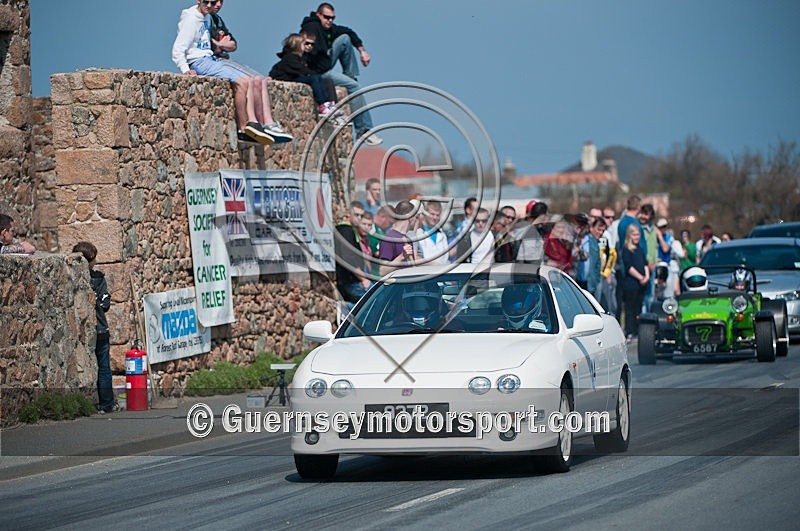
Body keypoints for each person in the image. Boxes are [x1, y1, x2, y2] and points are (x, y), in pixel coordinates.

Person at [172, 0, 292, 146]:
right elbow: (178, 49)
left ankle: (255, 124)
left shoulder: (206, 17)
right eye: (206, 2)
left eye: (213, 2)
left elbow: (231, 43)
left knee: (250, 80)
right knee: (242, 82)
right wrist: (185, 69)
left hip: (211, 59)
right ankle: (244, 128)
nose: (210, 5)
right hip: (199, 61)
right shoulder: (191, 18)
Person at [209, 0, 294, 144]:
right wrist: (220, 44)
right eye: (214, 1)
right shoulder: (203, 20)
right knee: (253, 80)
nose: (218, 5)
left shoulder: (217, 20)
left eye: (221, 1)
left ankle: (266, 124)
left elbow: (233, 44)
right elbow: (212, 46)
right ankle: (256, 124)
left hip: (224, 58)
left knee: (260, 79)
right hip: (216, 61)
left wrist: (222, 45)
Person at [300, 3, 382, 145]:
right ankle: (364, 130)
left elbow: (348, 32)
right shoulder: (311, 28)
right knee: (354, 87)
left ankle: (349, 75)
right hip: (319, 72)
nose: (330, 21)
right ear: (318, 15)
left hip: (324, 62)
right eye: (327, 17)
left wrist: (362, 51)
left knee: (345, 38)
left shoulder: (329, 28)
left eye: (332, 18)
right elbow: (304, 49)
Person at [72, 241, 118, 413]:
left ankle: (97, 403)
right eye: (94, 259)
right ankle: (106, 404)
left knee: (93, 367)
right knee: (103, 366)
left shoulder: (86, 278)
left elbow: (104, 303)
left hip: (89, 329)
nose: (96, 263)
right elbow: (105, 304)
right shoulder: (97, 279)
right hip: (98, 328)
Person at [268, 33, 343, 121]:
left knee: (321, 79)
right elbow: (299, 69)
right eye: (304, 44)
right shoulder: (291, 58)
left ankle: (329, 104)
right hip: (290, 78)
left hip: (294, 77)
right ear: (297, 46)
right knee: (314, 78)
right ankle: (322, 105)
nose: (307, 46)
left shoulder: (298, 57)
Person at [334, 201, 372, 304]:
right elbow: (348, 258)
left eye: (361, 215)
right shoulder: (346, 230)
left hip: (352, 280)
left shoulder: (351, 230)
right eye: (356, 215)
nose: (359, 218)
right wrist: (364, 279)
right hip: (351, 281)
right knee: (374, 302)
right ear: (348, 213)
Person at [621, 224, 649, 341]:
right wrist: (640, 277)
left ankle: (637, 331)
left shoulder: (640, 248)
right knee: (630, 309)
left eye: (638, 234)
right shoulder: (626, 249)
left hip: (641, 284)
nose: (636, 237)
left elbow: (645, 263)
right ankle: (630, 331)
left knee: (638, 308)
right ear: (629, 235)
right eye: (634, 234)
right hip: (631, 284)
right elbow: (629, 267)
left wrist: (646, 276)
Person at [378, 200, 419, 276]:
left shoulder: (408, 239)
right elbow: (382, 271)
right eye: (416, 217)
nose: (417, 221)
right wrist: (401, 257)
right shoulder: (389, 239)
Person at [415, 201, 450, 265]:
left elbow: (445, 258)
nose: (435, 218)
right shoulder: (418, 233)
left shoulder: (442, 234)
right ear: (425, 214)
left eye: (437, 215)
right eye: (432, 214)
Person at [638, 204, 657, 312]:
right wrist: (648, 260)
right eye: (643, 214)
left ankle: (649, 315)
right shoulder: (638, 228)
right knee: (644, 294)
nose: (644, 217)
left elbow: (654, 247)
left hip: (653, 266)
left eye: (647, 214)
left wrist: (655, 261)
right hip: (644, 264)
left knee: (651, 294)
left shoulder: (652, 228)